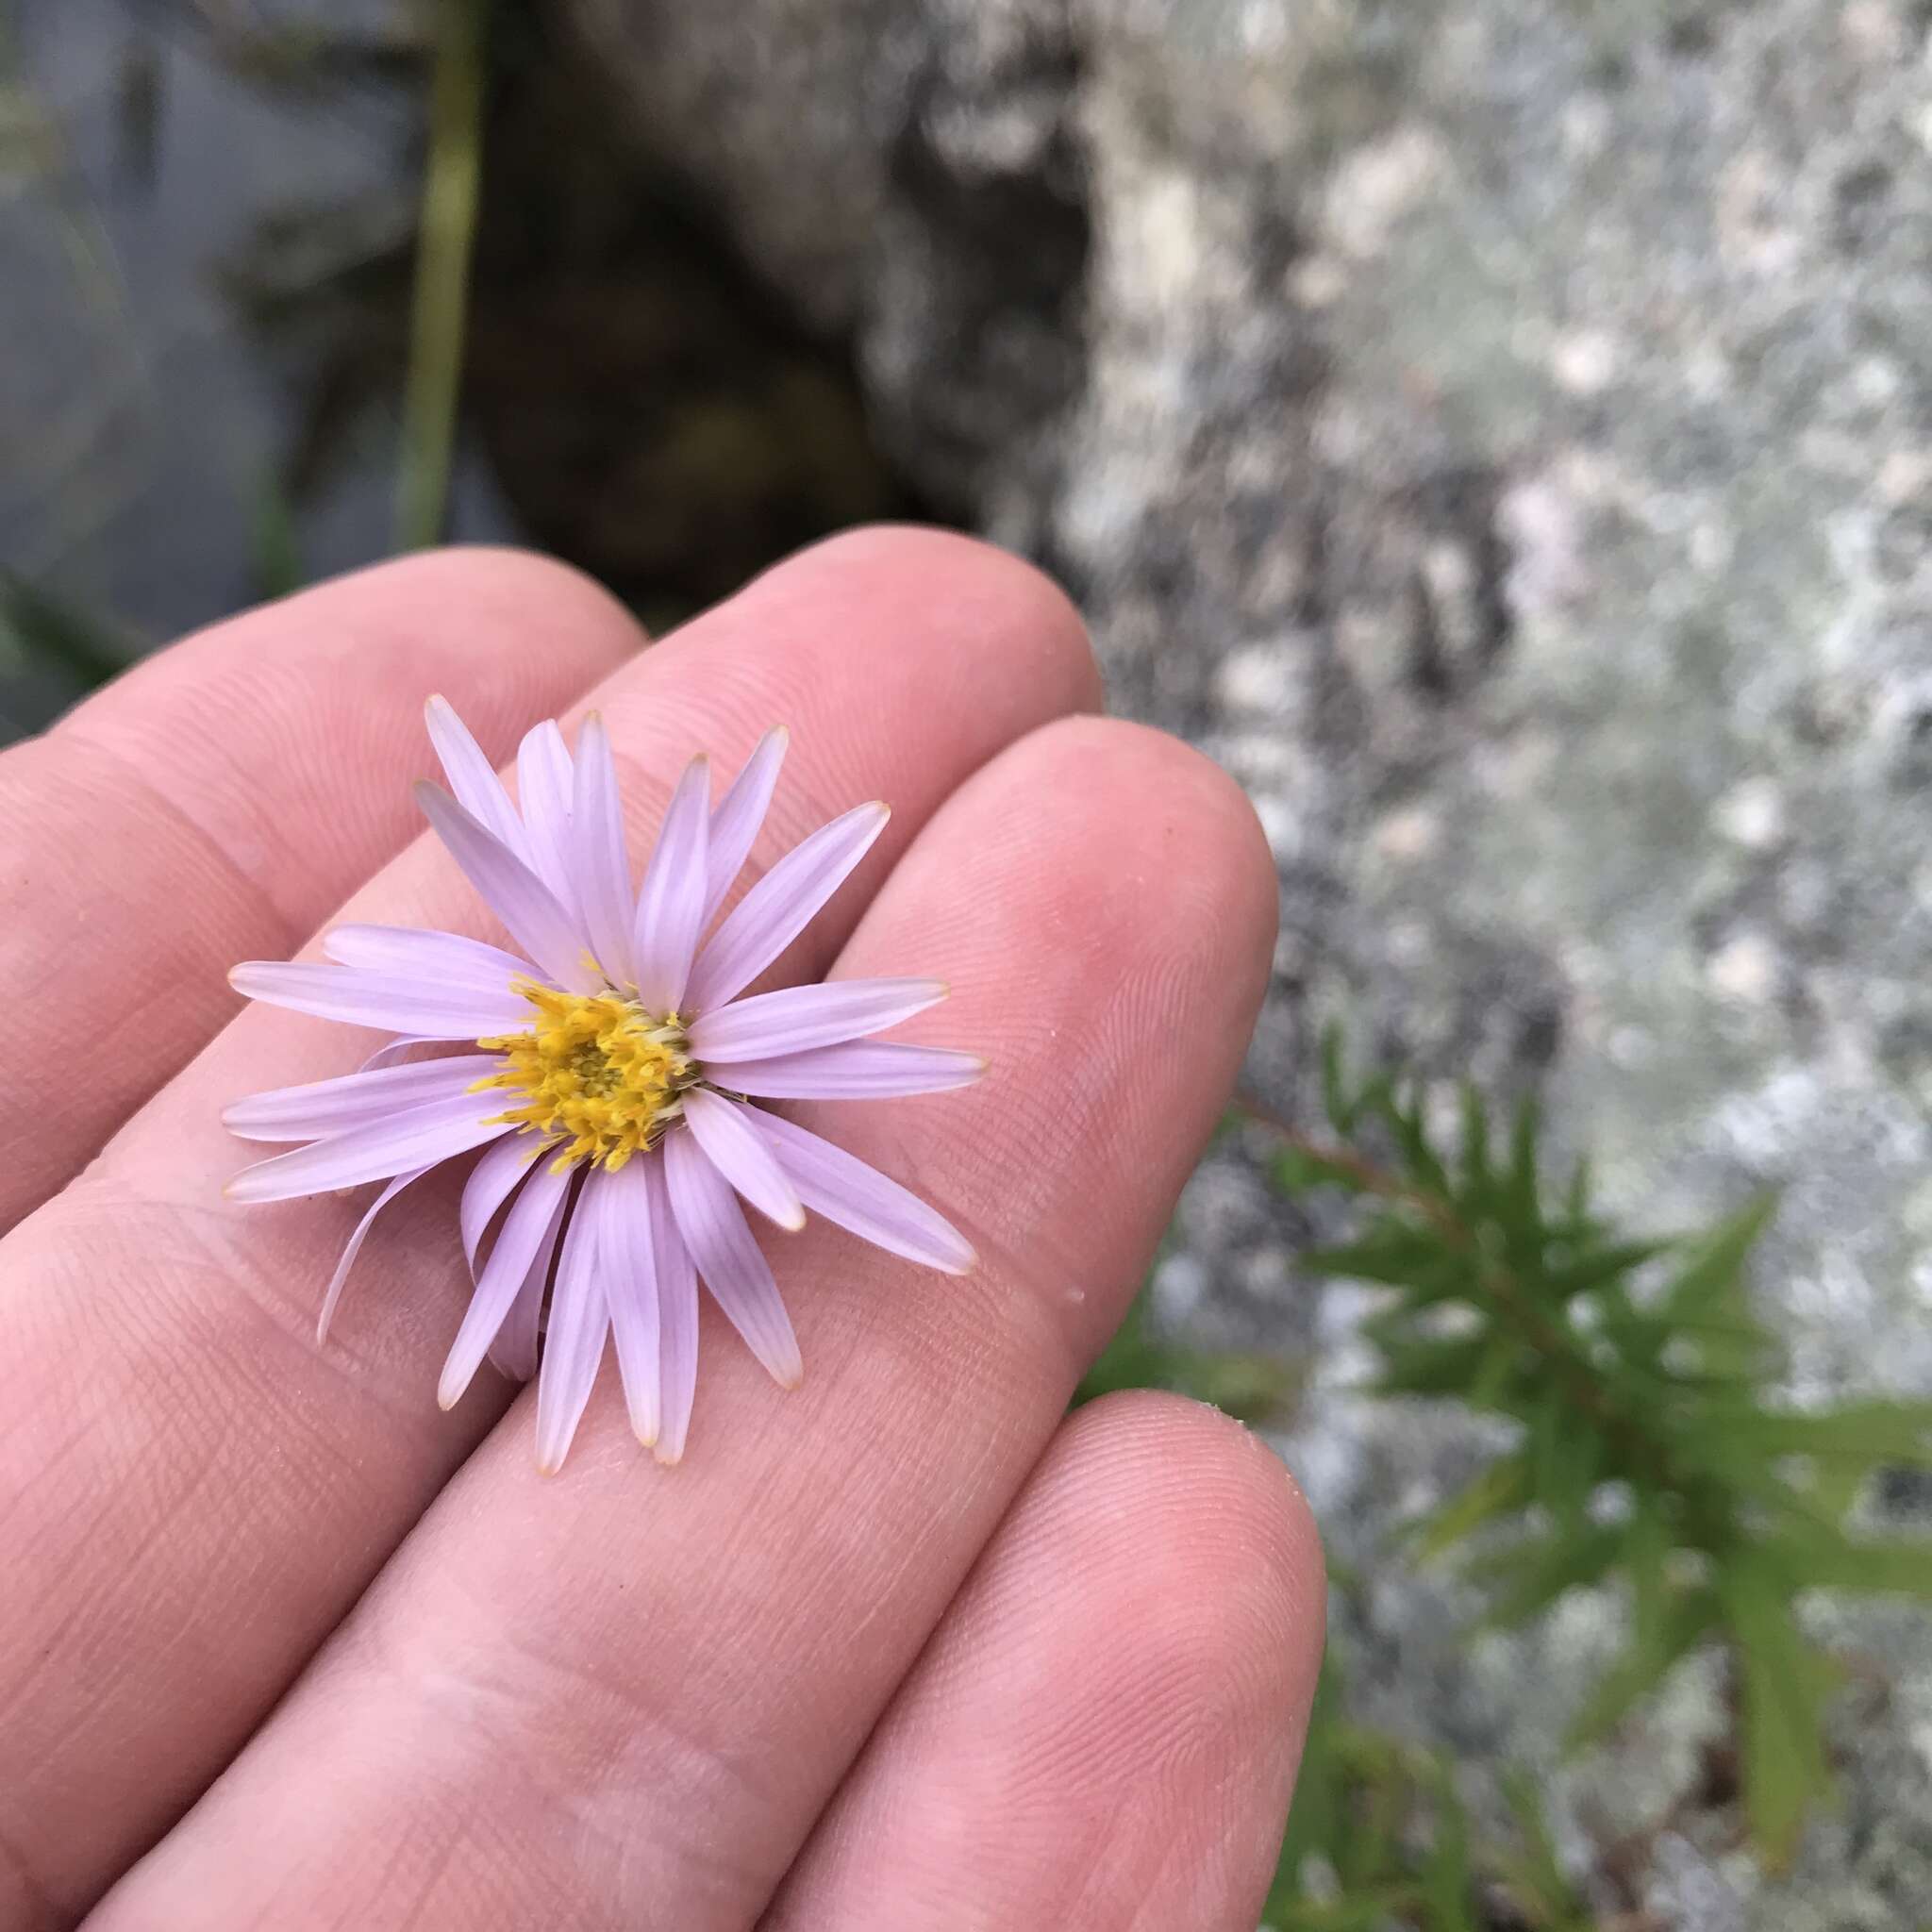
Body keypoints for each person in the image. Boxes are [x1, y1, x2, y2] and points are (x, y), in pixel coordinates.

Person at [0, 527, 1324, 1930]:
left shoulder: (662, 1040)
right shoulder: (546, 1082)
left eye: (593, 1055)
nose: (587, 1062)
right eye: (578, 1058)